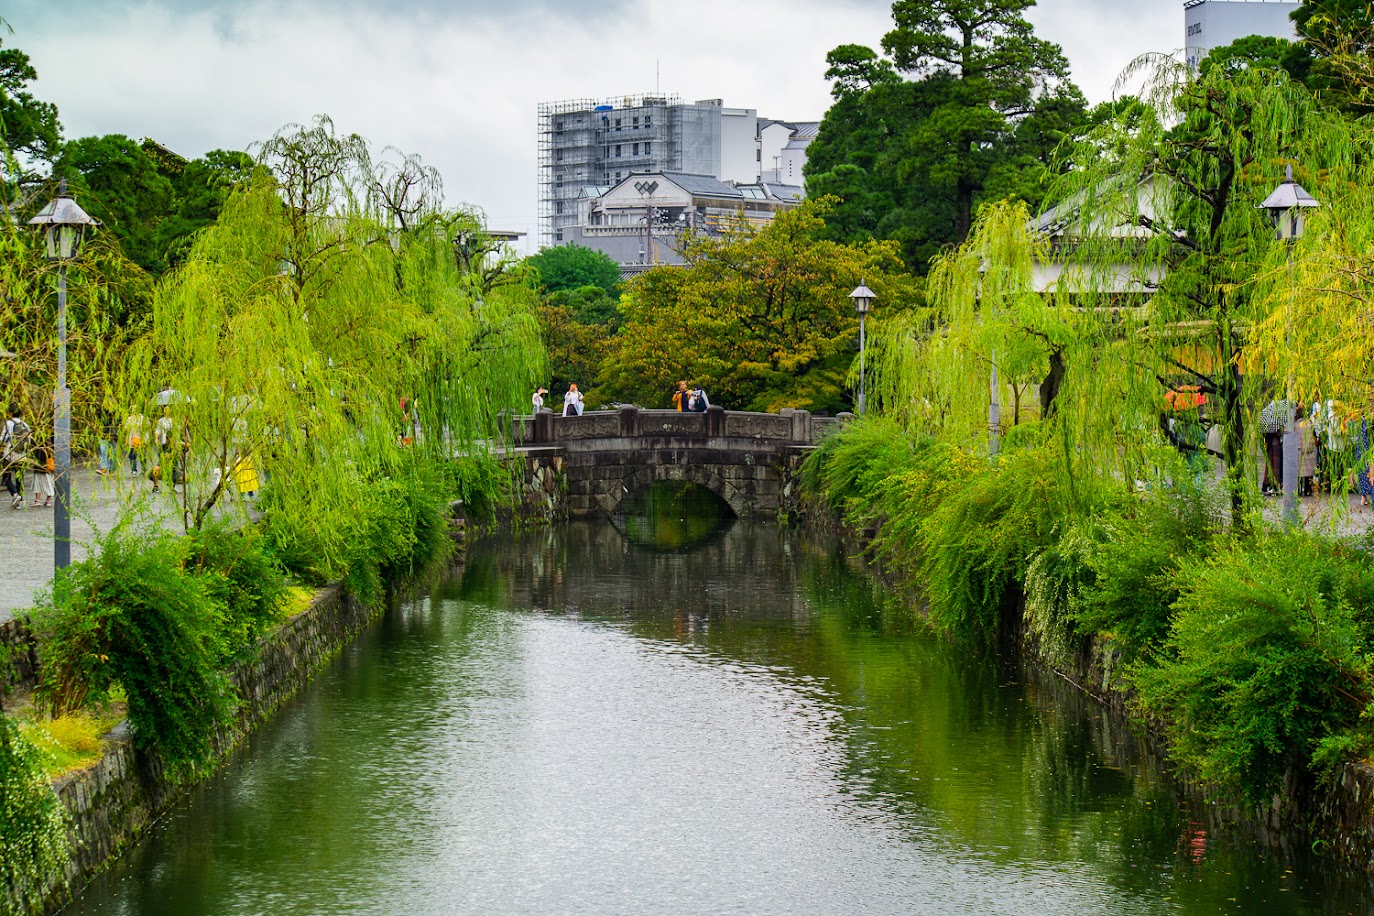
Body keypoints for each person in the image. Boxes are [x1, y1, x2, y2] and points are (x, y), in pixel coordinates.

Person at [2, 405, 30, 510]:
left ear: (10, 413)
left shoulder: (8, 423)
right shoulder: (25, 425)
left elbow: (3, 437)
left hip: (10, 454)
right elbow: (29, 440)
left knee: (6, 477)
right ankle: (19, 500)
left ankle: (15, 495)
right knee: (19, 477)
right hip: (21, 455)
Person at [30, 439, 53, 508]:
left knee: (38, 483)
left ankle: (38, 500)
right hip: (49, 466)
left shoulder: (38, 443)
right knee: (49, 483)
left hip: (40, 466)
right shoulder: (50, 441)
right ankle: (47, 501)